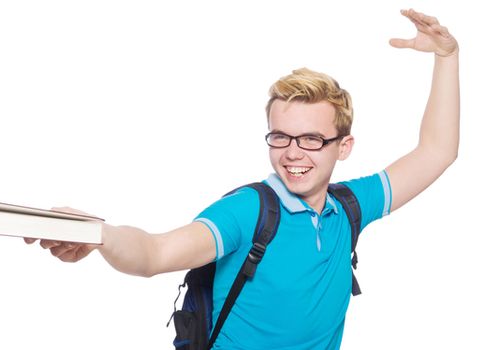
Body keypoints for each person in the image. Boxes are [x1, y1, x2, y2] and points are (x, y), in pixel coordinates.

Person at [27, 9, 459, 348]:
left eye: (311, 139)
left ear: (342, 147)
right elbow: (154, 253)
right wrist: (99, 233)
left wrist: (447, 57)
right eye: (281, 136)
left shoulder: (349, 208)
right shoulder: (250, 211)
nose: (292, 152)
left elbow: (437, 151)